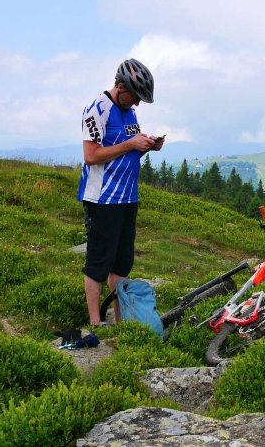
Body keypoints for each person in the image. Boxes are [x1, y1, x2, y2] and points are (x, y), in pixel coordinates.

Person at [77, 58, 164, 327]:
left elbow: (125, 150)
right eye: (135, 96)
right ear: (120, 86)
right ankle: (95, 323)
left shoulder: (130, 113)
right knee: (98, 263)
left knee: (122, 264)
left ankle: (120, 320)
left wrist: (146, 146)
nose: (136, 103)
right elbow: (91, 156)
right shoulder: (97, 108)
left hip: (128, 197)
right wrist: (130, 145)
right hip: (103, 199)